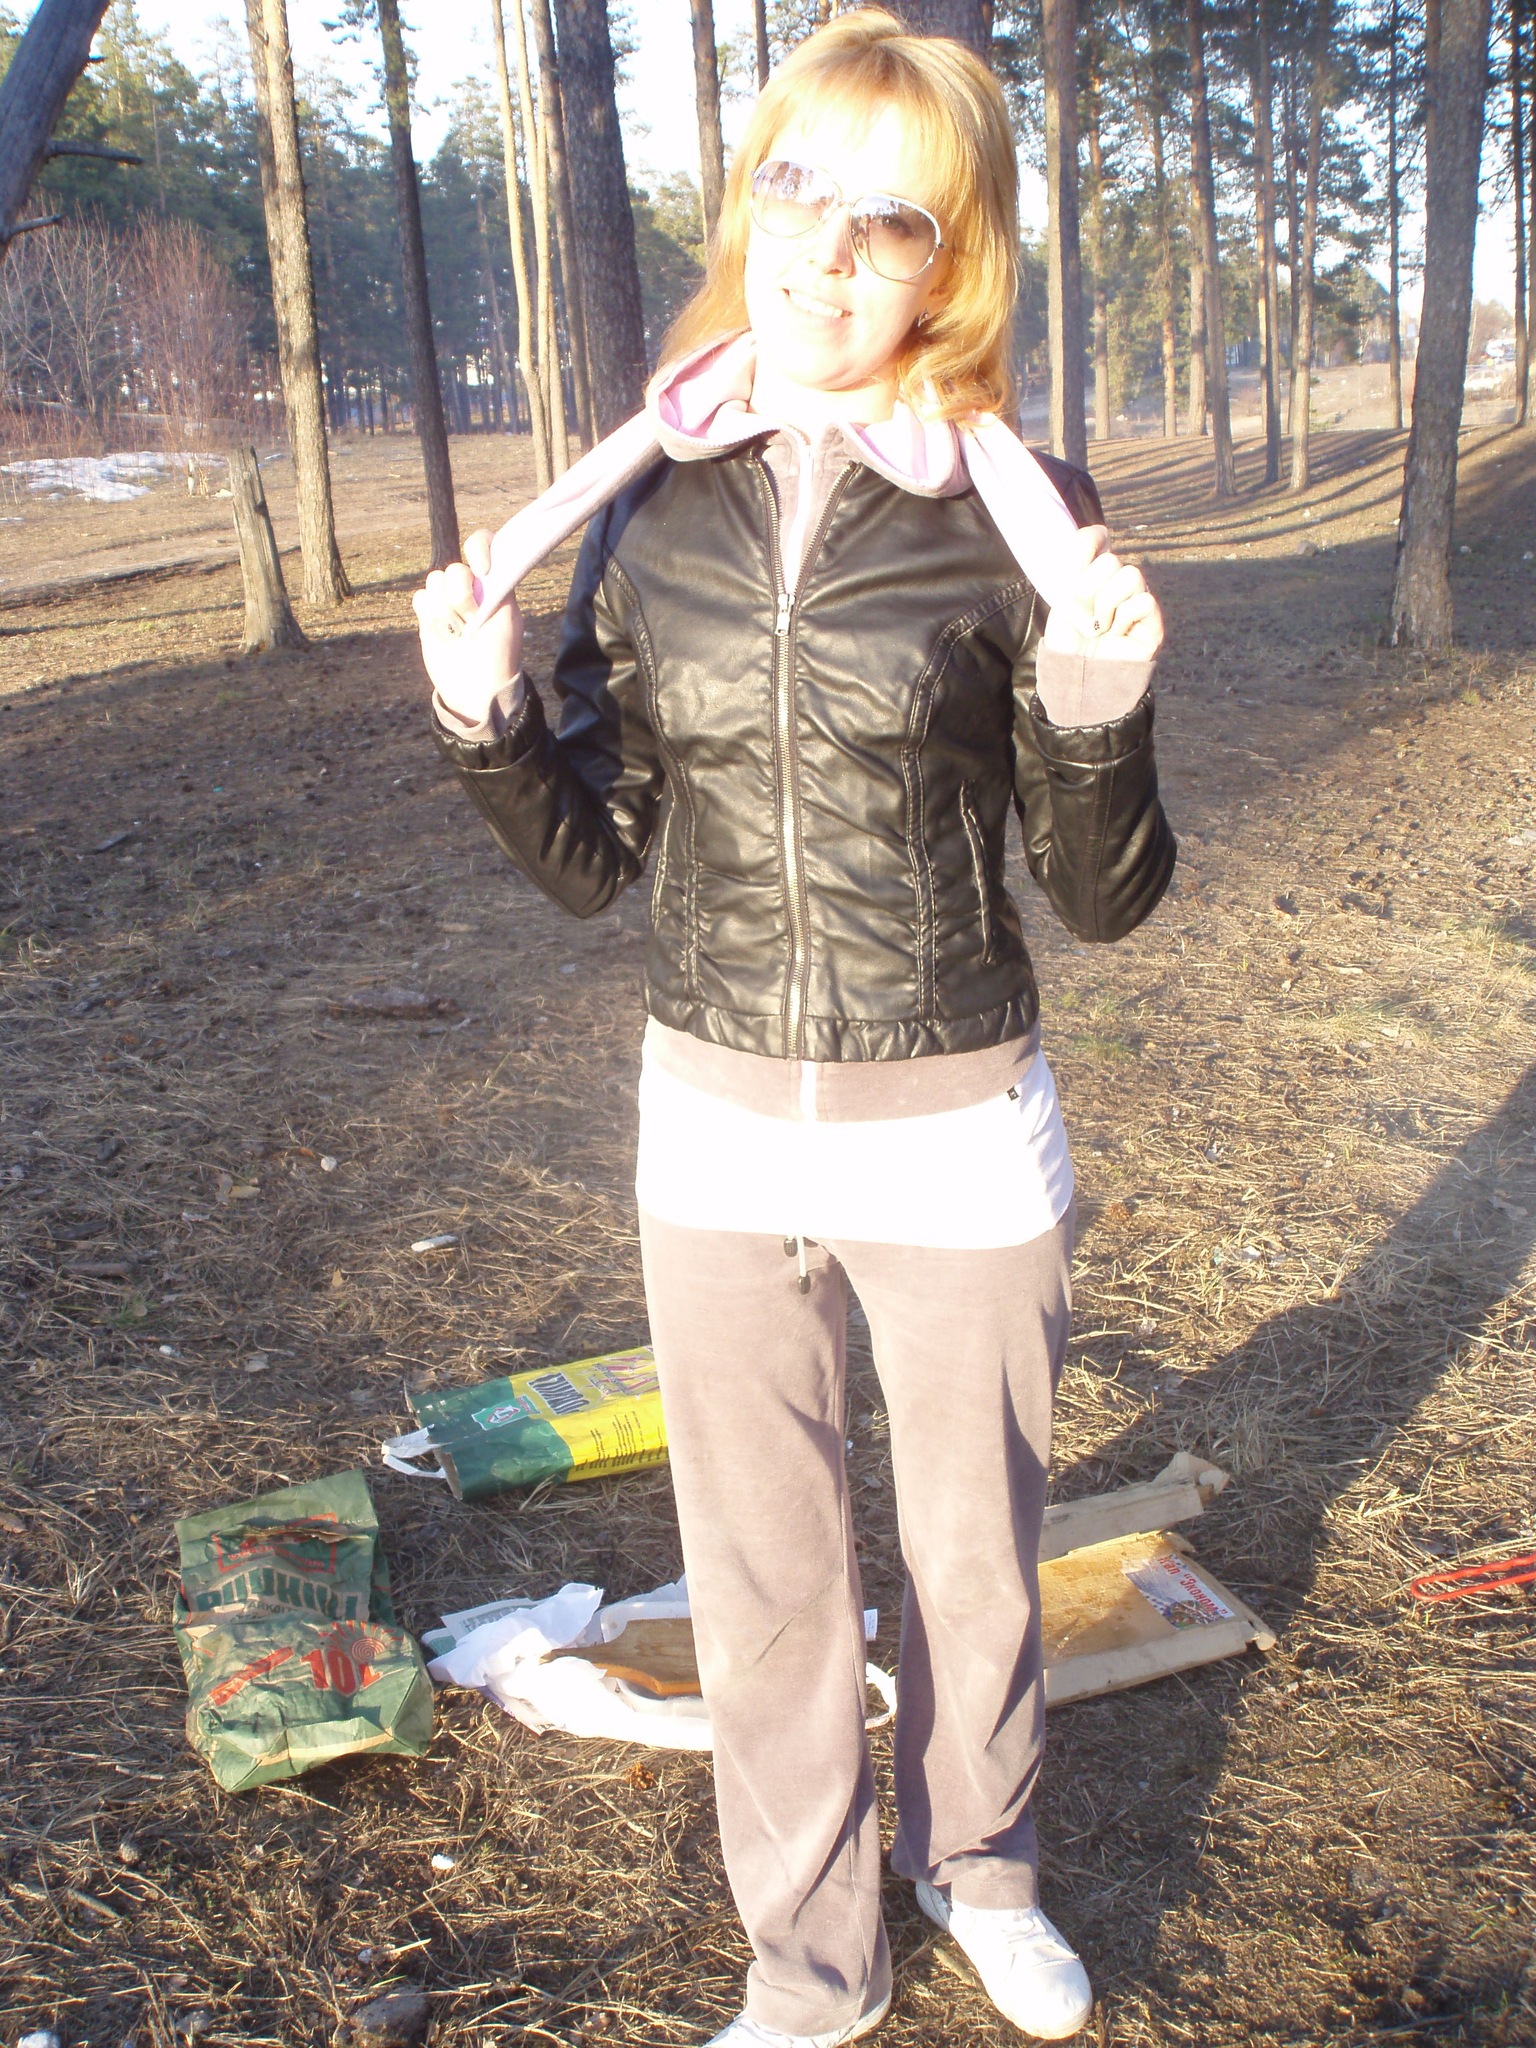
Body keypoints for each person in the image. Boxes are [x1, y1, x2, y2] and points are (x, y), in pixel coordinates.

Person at [414, 13, 1175, 2043]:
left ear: (953, 263)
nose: (827, 251)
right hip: (717, 1121)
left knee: (974, 1557)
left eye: (889, 219)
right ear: (746, 206)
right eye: (794, 192)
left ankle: (982, 1865)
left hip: (958, 1120)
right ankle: (811, 1961)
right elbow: (601, 862)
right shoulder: (647, 504)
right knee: (761, 1577)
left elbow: (1102, 894)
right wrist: (486, 714)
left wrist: (1100, 706)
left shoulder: (1022, 513)